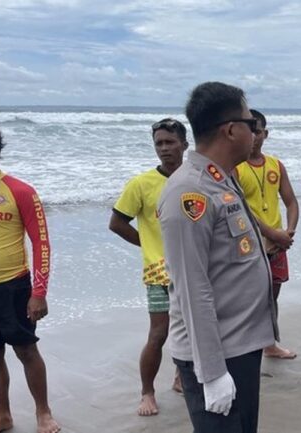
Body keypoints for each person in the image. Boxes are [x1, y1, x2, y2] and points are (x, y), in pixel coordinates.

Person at [158, 82, 278, 433]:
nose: (255, 133)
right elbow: (192, 288)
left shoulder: (221, 180)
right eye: (251, 124)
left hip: (240, 344)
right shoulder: (189, 191)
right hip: (218, 354)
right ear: (230, 130)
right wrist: (211, 373)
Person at [0, 114, 60, 433]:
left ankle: (43, 413)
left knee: (25, 350)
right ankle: (3, 416)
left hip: (13, 287)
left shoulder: (19, 191)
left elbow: (41, 242)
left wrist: (39, 292)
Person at [108, 118, 187, 416]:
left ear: (184, 144)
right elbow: (117, 223)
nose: (164, 148)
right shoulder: (141, 184)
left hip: (193, 270)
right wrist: (149, 245)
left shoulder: (195, 179)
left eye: (170, 142)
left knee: (192, 330)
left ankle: (181, 377)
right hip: (159, 272)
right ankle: (147, 392)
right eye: (159, 143)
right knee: (159, 333)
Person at [234, 109, 298, 360]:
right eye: (249, 131)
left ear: (265, 134)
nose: (254, 137)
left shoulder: (275, 165)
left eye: (258, 131)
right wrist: (272, 233)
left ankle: (269, 344)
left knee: (272, 296)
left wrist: (289, 231)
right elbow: (240, 208)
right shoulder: (235, 167)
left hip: (278, 243)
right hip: (249, 242)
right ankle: (245, 348)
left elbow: (291, 201)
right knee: (248, 299)